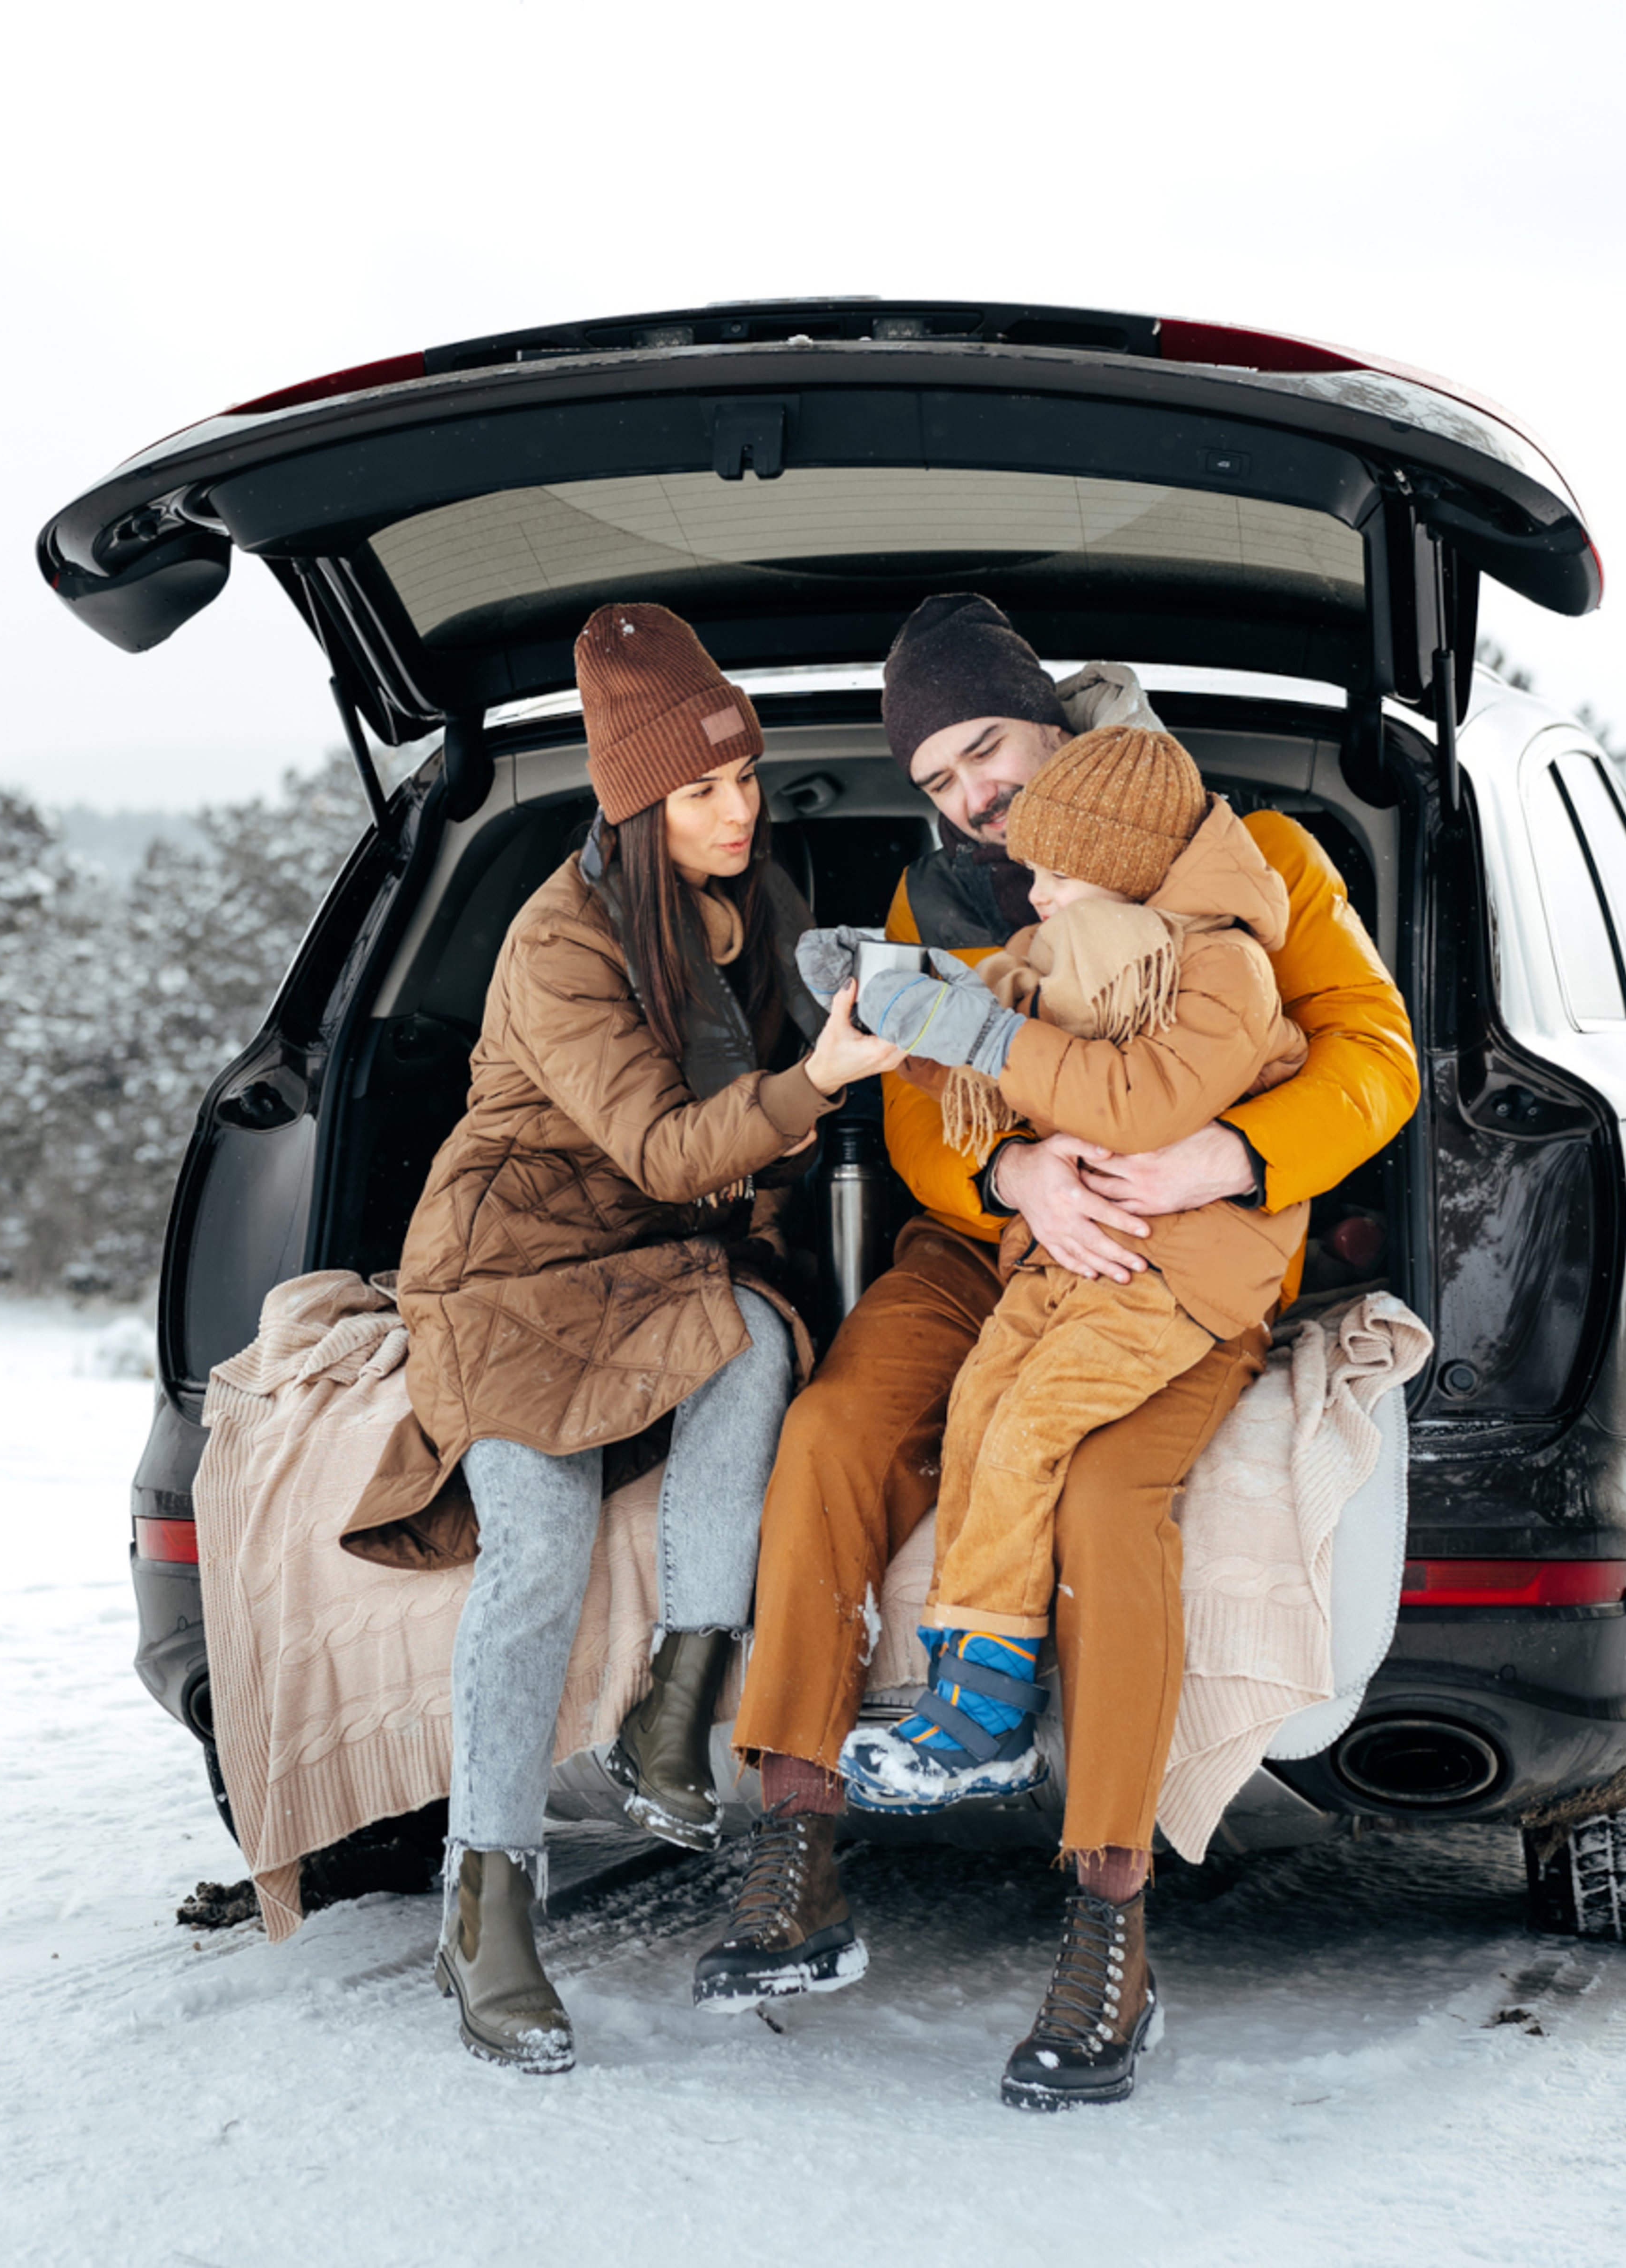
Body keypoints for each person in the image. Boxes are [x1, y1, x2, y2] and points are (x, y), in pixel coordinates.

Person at [699, 594, 1418, 2113]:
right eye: (940, 778)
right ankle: (799, 1841)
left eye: (987, 749)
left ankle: (1111, 1924)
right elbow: (911, 1109)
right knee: (833, 1434)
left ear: (1054, 720)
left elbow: (1376, 1053)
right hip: (987, 1249)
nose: (971, 795)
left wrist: (1234, 1156)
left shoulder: (1261, 860)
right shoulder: (931, 901)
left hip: (1165, 1249)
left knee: (1102, 1501)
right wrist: (1013, 1178)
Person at [342, 602, 902, 2073]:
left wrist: (860, 1019)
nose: (738, 810)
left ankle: (679, 1704)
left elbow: (731, 1139)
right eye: (702, 791)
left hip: (656, 1265)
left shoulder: (747, 903)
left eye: (743, 778)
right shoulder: (560, 938)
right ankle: (489, 1898)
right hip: (511, 1271)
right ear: (634, 800)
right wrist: (820, 1079)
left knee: (760, 1347)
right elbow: (663, 1145)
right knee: (539, 1537)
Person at [838, 724, 1309, 1815]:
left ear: (1128, 863)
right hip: (1074, 1251)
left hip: (1178, 1270)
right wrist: (907, 1009)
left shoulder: (1222, 966)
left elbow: (1139, 1102)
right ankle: (966, 1667)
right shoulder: (1088, 950)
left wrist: (985, 1037)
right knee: (980, 1408)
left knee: (1032, 1426)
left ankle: (989, 1714)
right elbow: (998, 1036)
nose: (1037, 898)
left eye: (1058, 874)